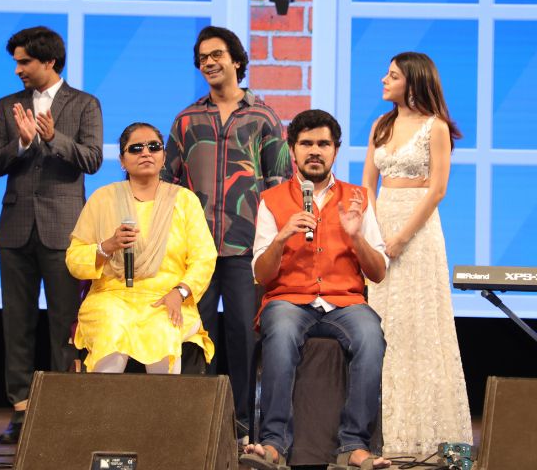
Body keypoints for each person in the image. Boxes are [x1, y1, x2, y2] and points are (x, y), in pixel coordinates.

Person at [241, 110, 390, 470]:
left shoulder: (358, 198)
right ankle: (274, 444)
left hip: (344, 302)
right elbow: (261, 274)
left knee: (371, 336)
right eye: (306, 143)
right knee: (281, 332)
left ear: (335, 150)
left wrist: (356, 237)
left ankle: (353, 445)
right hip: (289, 300)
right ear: (292, 149)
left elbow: (378, 272)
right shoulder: (272, 200)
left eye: (323, 144)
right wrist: (281, 238)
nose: (315, 151)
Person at [163, 26, 291, 437]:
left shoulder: (263, 117)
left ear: (236, 60)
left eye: (216, 55)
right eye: (202, 58)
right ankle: (195, 427)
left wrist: (273, 244)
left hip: (245, 248)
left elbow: (281, 184)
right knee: (194, 336)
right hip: (195, 252)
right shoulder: (186, 119)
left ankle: (240, 427)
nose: (209, 63)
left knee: (243, 339)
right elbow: (167, 183)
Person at [0, 26, 103, 444]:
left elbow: (92, 159)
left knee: (65, 323)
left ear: (49, 61)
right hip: (15, 228)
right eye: (16, 62)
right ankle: (20, 408)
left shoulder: (85, 104)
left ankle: (60, 408)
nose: (18, 70)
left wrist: (53, 138)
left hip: (64, 229)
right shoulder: (8, 105)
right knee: (16, 324)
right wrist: (20, 144)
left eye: (24, 62)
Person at [362, 52, 472, 455]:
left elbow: (437, 189)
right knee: (382, 324)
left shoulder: (435, 127)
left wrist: (401, 238)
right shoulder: (381, 124)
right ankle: (379, 431)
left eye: (392, 75)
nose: (384, 79)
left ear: (413, 81)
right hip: (382, 225)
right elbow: (368, 184)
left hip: (418, 233)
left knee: (417, 326)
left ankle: (422, 433)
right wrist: (375, 233)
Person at [66, 122, 217, 373]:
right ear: (122, 161)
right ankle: (103, 400)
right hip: (112, 297)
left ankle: (163, 402)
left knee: (162, 329)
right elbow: (74, 259)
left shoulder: (184, 201)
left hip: (167, 297)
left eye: (153, 147)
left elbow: (204, 258)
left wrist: (179, 292)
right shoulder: (102, 199)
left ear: (164, 157)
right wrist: (107, 247)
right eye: (136, 148)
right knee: (112, 327)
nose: (146, 153)